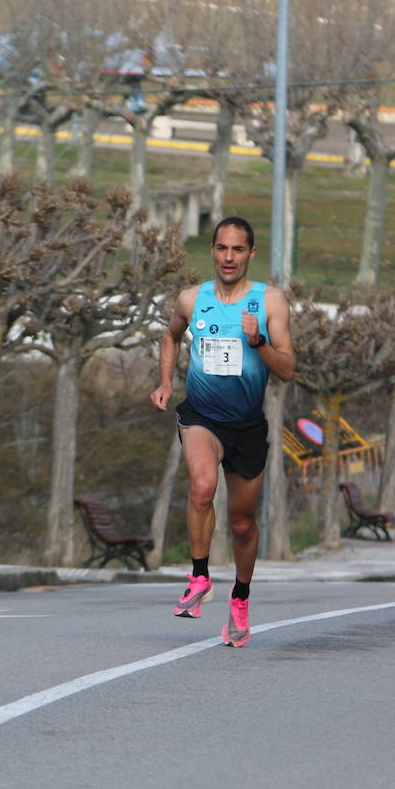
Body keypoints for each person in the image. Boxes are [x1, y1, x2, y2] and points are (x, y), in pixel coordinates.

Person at [150, 217, 295, 648]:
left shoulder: (269, 302)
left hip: (247, 425)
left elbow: (287, 370)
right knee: (201, 486)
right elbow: (170, 336)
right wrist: (165, 382)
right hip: (202, 416)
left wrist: (259, 344)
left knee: (243, 523)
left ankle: (241, 598)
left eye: (237, 250)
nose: (228, 257)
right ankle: (199, 576)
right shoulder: (192, 299)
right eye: (220, 248)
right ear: (211, 251)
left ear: (250, 254)